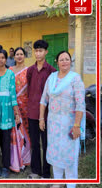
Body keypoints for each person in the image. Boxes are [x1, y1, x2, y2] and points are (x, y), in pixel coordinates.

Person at [40, 51, 85, 188]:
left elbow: (80, 104)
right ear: (57, 62)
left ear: (70, 62)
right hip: (53, 123)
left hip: (69, 124)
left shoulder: (75, 79)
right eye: (62, 59)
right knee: (55, 152)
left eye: (67, 59)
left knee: (69, 154)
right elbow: (44, 99)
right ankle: (58, 181)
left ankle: (71, 183)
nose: (65, 61)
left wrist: (76, 125)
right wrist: (41, 118)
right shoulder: (51, 78)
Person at [0, 50, 20, 178]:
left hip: (6, 110)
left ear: (6, 60)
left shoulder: (10, 74)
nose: (0, 60)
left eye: (3, 58)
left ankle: (6, 166)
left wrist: (16, 111)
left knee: (6, 140)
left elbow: (13, 93)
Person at [27, 40, 56, 179]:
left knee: (46, 144)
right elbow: (29, 89)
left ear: (46, 52)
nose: (38, 53)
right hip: (32, 112)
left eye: (41, 51)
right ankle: (35, 171)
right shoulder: (30, 70)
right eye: (36, 51)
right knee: (34, 143)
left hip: (46, 114)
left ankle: (46, 173)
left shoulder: (52, 71)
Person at [9, 47, 31, 172]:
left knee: (26, 132)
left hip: (25, 106)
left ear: (24, 56)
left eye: (21, 54)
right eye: (17, 54)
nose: (19, 56)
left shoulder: (28, 71)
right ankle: (16, 161)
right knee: (15, 133)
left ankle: (26, 159)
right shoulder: (10, 71)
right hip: (13, 106)